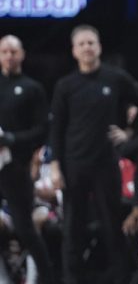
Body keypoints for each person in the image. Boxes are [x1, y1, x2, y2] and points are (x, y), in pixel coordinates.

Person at [50, 24, 138, 284]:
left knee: (112, 226)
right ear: (74, 51)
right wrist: (55, 166)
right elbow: (57, 129)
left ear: (99, 47)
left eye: (91, 43)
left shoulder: (115, 77)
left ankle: (119, 278)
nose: (87, 47)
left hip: (106, 164)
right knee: (73, 228)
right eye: (82, 44)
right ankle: (72, 279)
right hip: (74, 165)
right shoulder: (65, 85)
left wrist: (129, 132)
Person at [0, 35, 55, 284]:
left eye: (13, 51)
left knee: (25, 229)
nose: (9, 56)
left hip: (15, 167)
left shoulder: (32, 88)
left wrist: (10, 138)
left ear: (21, 54)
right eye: (4, 51)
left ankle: (47, 278)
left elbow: (42, 130)